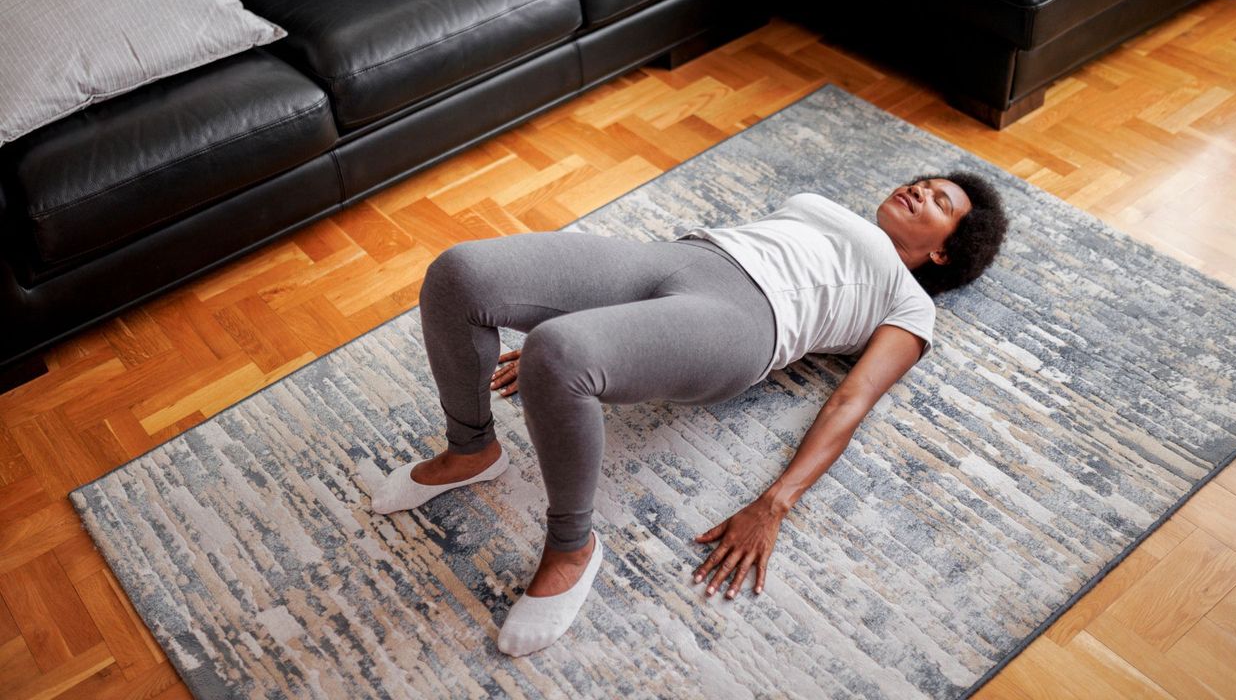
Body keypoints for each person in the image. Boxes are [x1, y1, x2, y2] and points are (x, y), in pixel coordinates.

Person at [371, 173, 1009, 656]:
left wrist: (775, 503)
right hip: (678, 258)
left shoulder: (910, 304)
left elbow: (852, 400)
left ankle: (572, 548)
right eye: (921, 184)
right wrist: (610, 326)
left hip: (746, 323)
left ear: (945, 254)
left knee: (558, 352)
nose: (919, 192)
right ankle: (471, 449)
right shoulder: (823, 206)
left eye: (939, 204)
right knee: (459, 273)